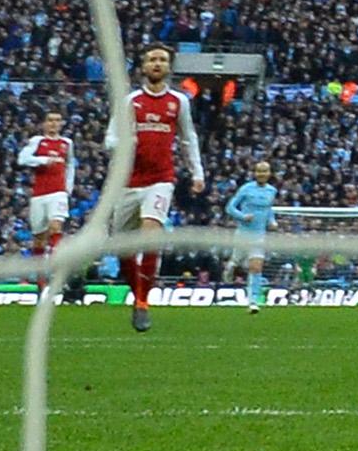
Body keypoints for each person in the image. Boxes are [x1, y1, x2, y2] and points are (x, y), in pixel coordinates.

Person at [104, 44, 204, 333]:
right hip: (127, 183)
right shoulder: (130, 102)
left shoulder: (178, 102)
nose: (157, 64)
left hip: (161, 180)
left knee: (151, 234)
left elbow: (189, 138)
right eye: (152, 59)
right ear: (144, 67)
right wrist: (125, 143)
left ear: (169, 66)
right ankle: (138, 294)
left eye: (162, 59)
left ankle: (143, 303)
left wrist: (197, 171)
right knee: (123, 249)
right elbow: (110, 138)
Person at [16, 111, 76, 287]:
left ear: (62, 123)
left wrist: (68, 187)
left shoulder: (67, 143)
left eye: (57, 120)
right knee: (39, 239)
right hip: (39, 194)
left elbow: (71, 164)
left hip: (58, 192)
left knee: (56, 226)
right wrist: (43, 160)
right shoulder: (36, 141)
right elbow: (22, 159)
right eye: (50, 120)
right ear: (44, 123)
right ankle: (41, 281)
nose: (53, 124)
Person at [226, 160, 278, 315]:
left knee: (256, 267)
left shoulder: (271, 191)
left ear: (269, 173)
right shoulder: (246, 189)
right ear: (255, 173)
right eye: (259, 171)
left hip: (259, 236)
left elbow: (268, 210)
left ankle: (253, 302)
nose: (262, 174)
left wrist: (272, 222)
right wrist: (242, 216)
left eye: (265, 171)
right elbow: (230, 207)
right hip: (243, 233)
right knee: (237, 262)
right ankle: (231, 265)